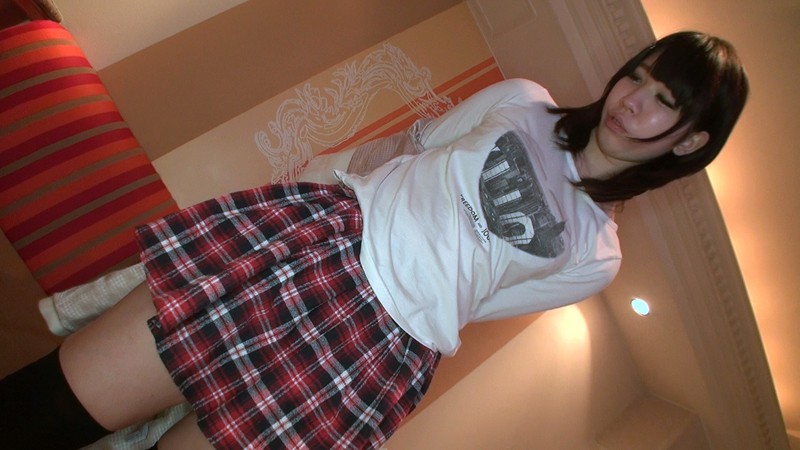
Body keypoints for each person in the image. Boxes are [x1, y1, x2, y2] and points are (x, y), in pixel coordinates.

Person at [0, 30, 748, 449]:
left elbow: (473, 302)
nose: (633, 101)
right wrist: (304, 203)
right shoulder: (523, 101)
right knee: (54, 404)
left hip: (376, 350)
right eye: (640, 76)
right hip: (317, 244)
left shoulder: (597, 257)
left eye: (664, 101)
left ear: (691, 141)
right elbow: (404, 148)